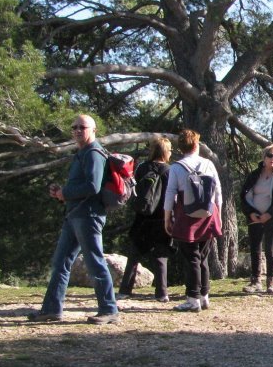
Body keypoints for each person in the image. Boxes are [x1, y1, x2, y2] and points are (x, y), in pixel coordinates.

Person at [28, 114, 120, 324]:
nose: (78, 130)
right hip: (74, 215)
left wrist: (65, 193)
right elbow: (82, 186)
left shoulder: (94, 153)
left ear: (94, 130)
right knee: (60, 263)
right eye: (74, 127)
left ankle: (109, 309)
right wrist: (61, 193)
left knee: (95, 262)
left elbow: (93, 187)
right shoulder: (82, 152)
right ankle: (51, 309)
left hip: (88, 216)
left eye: (83, 127)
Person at [163, 129, 222, 312]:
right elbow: (218, 192)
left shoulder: (176, 167)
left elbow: (170, 194)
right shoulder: (208, 164)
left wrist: (167, 218)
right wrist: (218, 214)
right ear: (196, 145)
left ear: (181, 148)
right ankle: (204, 296)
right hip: (208, 215)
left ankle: (192, 298)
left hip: (186, 216)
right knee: (202, 257)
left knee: (191, 259)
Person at [117, 137, 173, 303]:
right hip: (162, 218)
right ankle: (162, 293)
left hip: (142, 217)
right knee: (161, 256)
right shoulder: (169, 170)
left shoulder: (142, 167)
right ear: (165, 151)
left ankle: (125, 290)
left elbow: (133, 191)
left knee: (134, 256)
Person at [239, 143, 273, 295]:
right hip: (255, 217)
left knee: (271, 251)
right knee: (255, 249)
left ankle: (271, 282)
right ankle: (256, 281)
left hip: (272, 218)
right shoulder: (254, 175)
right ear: (264, 157)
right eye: (271, 156)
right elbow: (244, 196)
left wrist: (269, 214)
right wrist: (250, 213)